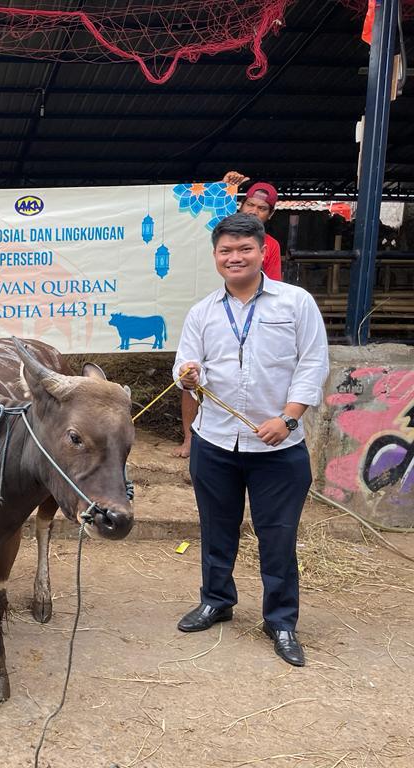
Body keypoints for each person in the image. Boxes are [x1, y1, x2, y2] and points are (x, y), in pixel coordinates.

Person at [173, 213, 329, 667]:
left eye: (244, 249)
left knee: (277, 537)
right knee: (216, 530)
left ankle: (280, 621)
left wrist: (289, 418)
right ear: (216, 256)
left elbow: (313, 363)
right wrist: (187, 375)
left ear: (262, 252)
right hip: (215, 442)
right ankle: (216, 601)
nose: (234, 257)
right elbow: (185, 362)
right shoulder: (203, 310)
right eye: (226, 251)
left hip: (278, 447)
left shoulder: (295, 303)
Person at [173, 173, 284, 458]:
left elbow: (272, 287)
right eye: (250, 205)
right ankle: (190, 438)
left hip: (248, 321)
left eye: (262, 209)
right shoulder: (221, 226)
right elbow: (203, 213)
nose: (254, 211)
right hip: (214, 316)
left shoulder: (271, 248)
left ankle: (249, 436)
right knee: (190, 373)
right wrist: (223, 186)